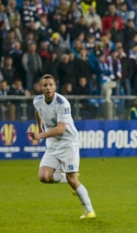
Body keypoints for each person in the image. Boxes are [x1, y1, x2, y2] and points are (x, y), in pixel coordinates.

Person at [27, 74, 96, 219]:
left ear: (55, 86)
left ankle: (89, 211)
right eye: (45, 85)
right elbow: (38, 111)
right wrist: (40, 127)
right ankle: (67, 177)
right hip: (53, 144)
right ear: (41, 87)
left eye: (51, 85)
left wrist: (41, 135)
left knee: (73, 180)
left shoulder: (62, 103)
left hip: (68, 143)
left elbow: (61, 129)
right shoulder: (37, 101)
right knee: (44, 177)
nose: (48, 88)